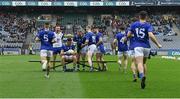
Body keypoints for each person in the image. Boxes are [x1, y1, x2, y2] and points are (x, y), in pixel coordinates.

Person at [127, 11, 162, 89]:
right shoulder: (148, 25)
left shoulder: (134, 24)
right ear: (146, 17)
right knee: (144, 63)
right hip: (146, 46)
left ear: (139, 16)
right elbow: (150, 35)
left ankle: (142, 75)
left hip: (137, 46)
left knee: (139, 63)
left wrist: (129, 37)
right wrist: (157, 44)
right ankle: (144, 77)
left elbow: (128, 35)